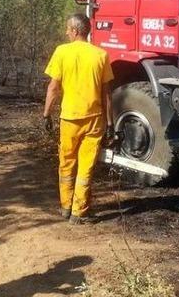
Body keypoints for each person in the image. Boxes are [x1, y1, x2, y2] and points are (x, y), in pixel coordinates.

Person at [43, 13, 114, 224]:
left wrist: (47, 114)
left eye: (67, 29)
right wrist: (110, 123)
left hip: (69, 119)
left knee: (66, 164)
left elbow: (53, 88)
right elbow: (106, 94)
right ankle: (78, 212)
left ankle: (65, 207)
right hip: (94, 120)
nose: (66, 32)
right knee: (86, 166)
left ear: (75, 31)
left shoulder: (62, 52)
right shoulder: (101, 55)